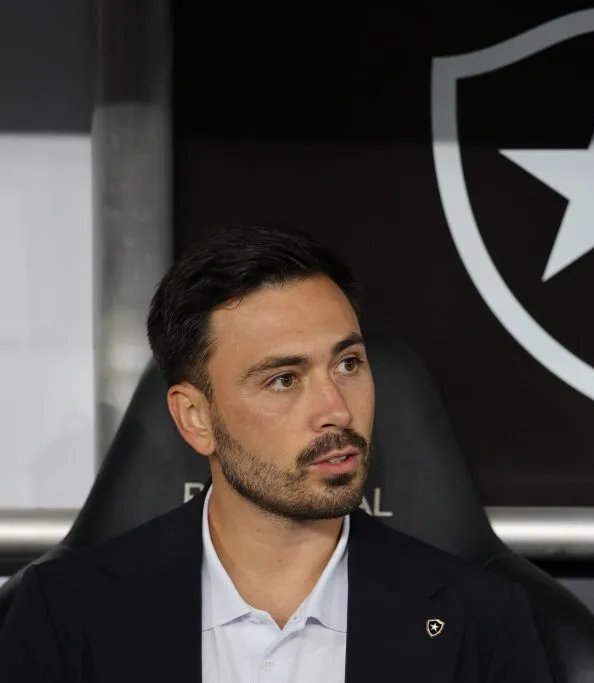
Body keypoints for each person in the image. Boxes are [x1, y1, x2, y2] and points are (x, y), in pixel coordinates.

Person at [0, 225, 553, 683]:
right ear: (195, 418)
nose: (337, 409)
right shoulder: (62, 615)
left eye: (348, 364)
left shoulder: (483, 621)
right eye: (284, 379)